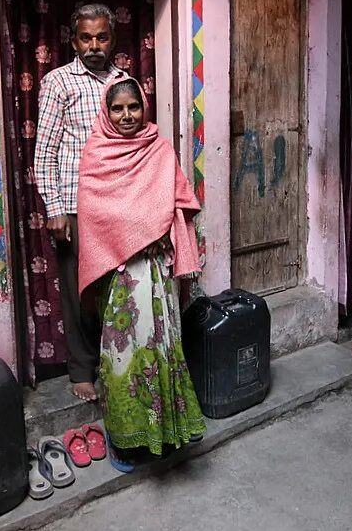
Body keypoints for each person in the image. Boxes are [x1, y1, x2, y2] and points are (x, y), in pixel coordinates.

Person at [76, 76, 207, 468]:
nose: (127, 115)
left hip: (155, 271)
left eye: (133, 106)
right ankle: (125, 440)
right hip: (120, 276)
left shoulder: (160, 150)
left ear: (143, 108)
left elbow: (179, 200)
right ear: (107, 111)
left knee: (161, 349)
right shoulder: (96, 154)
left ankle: (165, 435)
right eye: (118, 108)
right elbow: (95, 212)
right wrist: (137, 231)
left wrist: (161, 228)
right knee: (122, 356)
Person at [34, 3, 127, 402]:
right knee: (78, 294)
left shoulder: (123, 82)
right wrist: (54, 208)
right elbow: (45, 152)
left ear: (112, 39)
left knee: (118, 289)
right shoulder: (58, 82)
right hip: (75, 206)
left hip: (119, 204)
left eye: (101, 37)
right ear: (73, 41)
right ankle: (82, 370)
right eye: (85, 38)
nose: (94, 45)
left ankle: (117, 363)